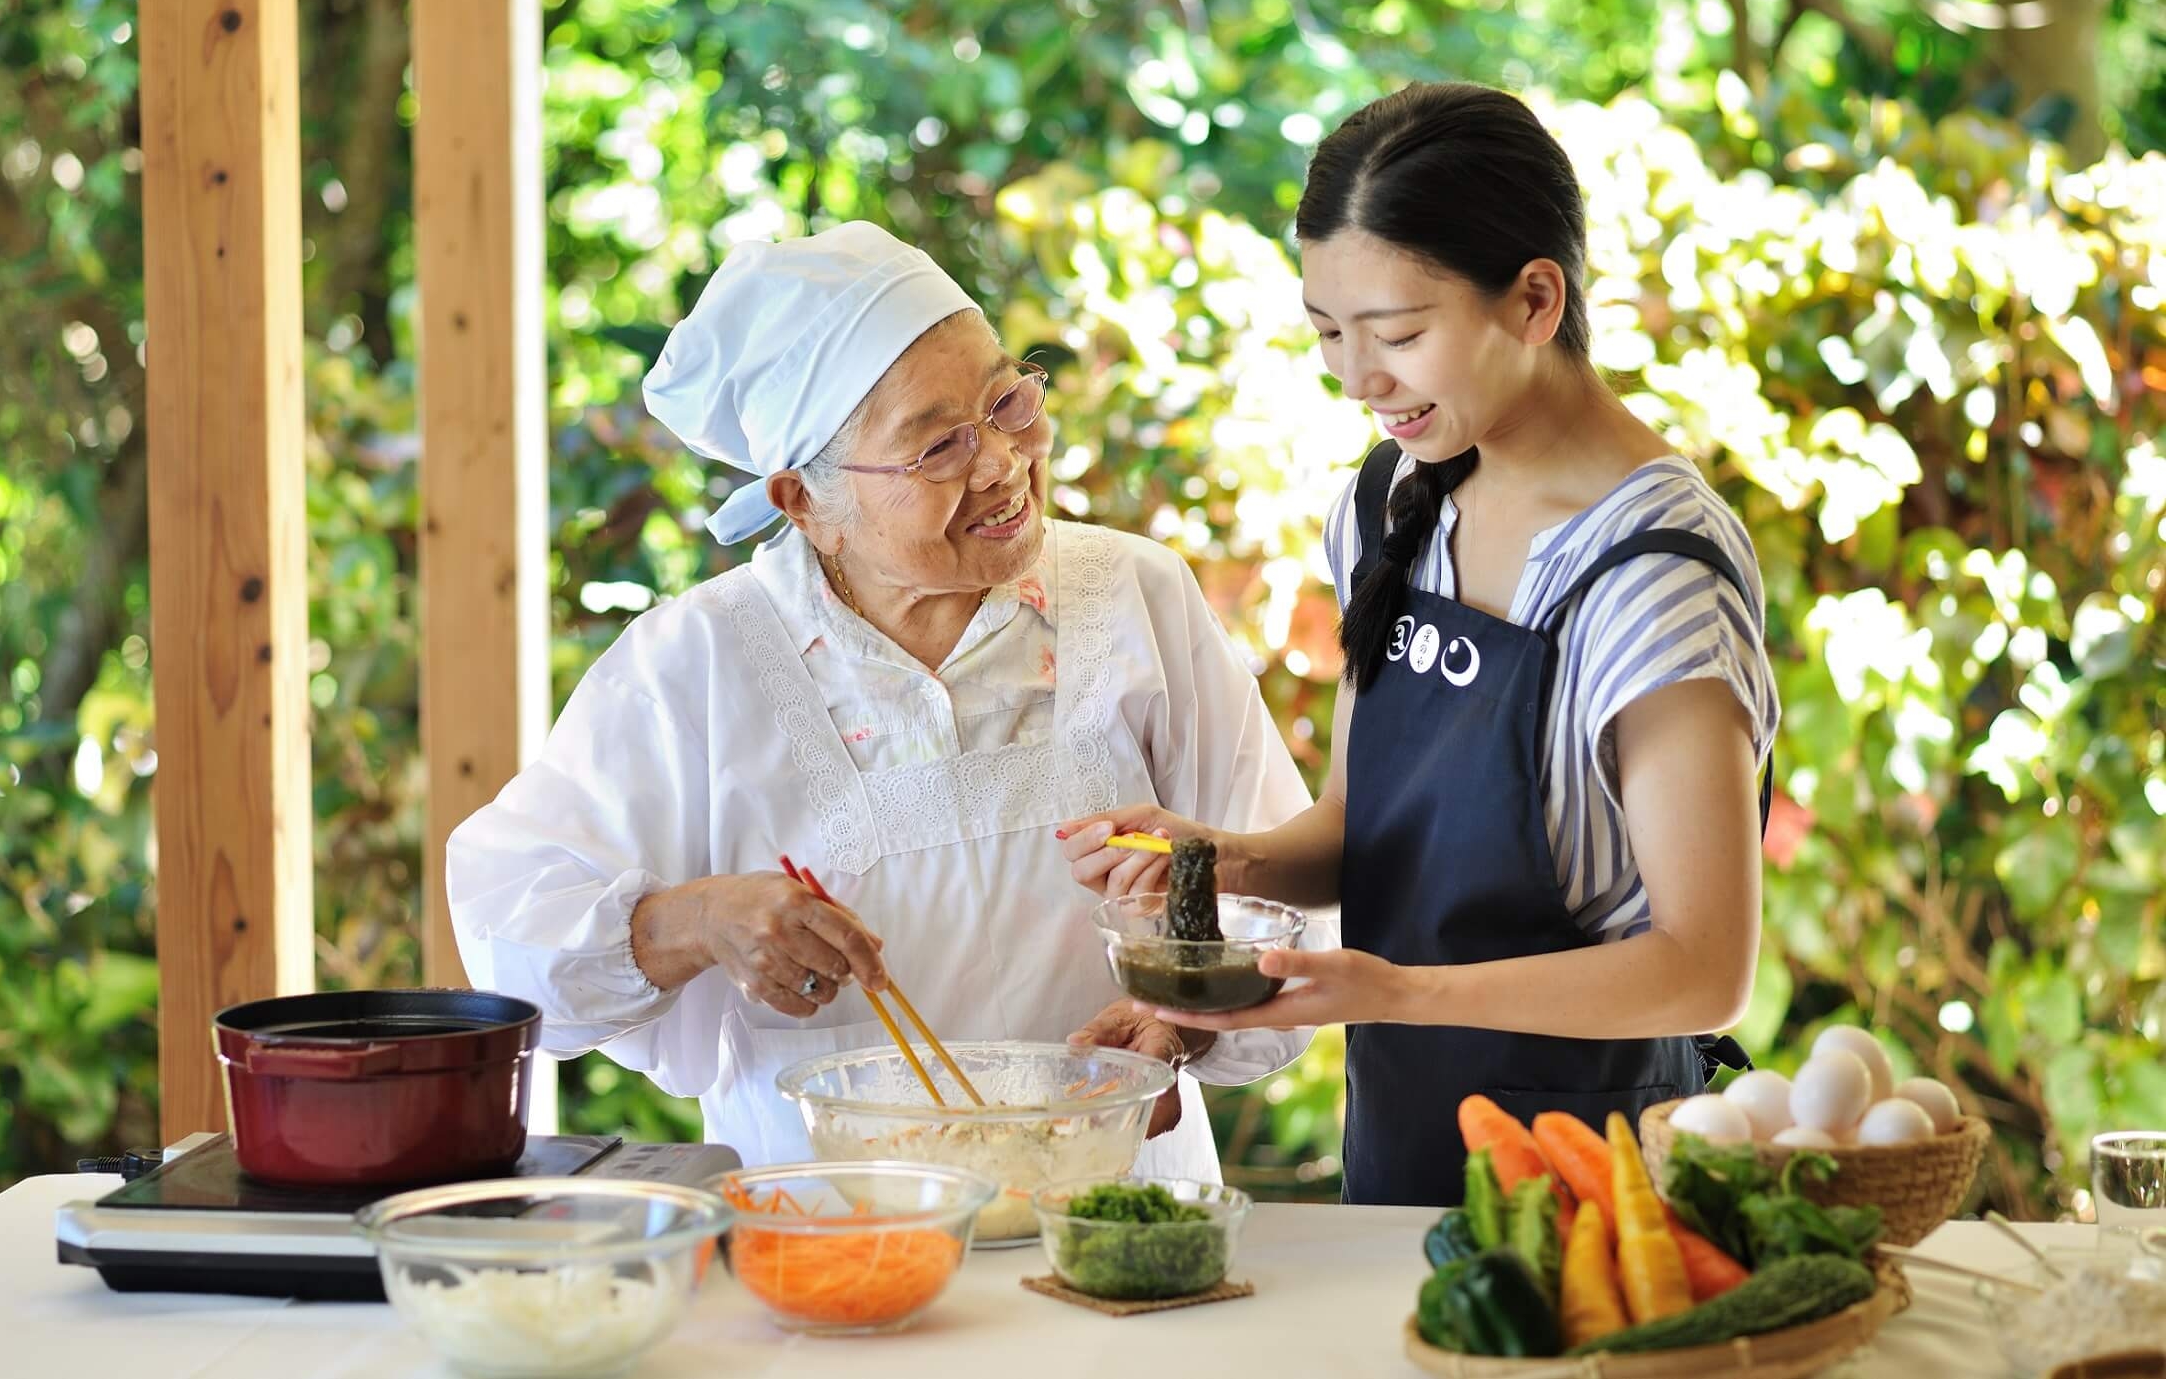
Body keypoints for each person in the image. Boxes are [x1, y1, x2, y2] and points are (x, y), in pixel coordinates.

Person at [447, 221, 1329, 1175]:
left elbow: (1287, 902)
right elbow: (513, 943)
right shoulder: (694, 662)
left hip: (1120, 1208)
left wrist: (1181, 1023)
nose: (999, 462)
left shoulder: (1132, 597)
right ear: (802, 501)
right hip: (830, 1233)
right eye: (938, 447)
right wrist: (701, 919)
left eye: (1008, 402)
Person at [1058, 83, 1780, 1207]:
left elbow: (1702, 971)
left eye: (1397, 333)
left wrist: (1389, 989)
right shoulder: (1398, 500)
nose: (1357, 377)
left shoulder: (1650, 577)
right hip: (1395, 1158)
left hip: (1603, 1189)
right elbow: (1359, 832)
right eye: (1327, 332)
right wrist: (1216, 861)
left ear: (1535, 298)